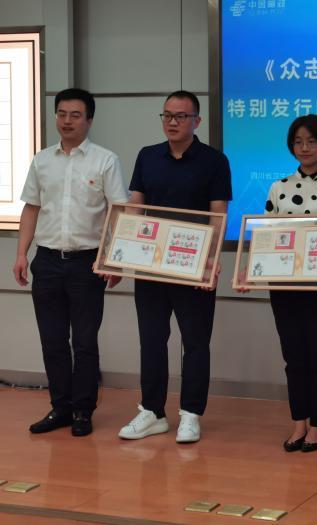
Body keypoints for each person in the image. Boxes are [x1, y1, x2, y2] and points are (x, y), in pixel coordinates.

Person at [117, 90, 232, 443]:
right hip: (151, 265)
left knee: (195, 342)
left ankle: (190, 414)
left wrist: (211, 260)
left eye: (181, 116)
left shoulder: (214, 161)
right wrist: (120, 251)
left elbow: (218, 215)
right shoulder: (147, 156)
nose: (172, 122)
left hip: (192, 266)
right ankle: (152, 412)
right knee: (152, 340)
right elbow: (135, 207)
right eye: (167, 115)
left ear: (197, 121)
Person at [13, 88, 128, 437]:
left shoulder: (105, 160)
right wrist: (21, 253)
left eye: (75, 115)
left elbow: (118, 213)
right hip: (47, 261)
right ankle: (60, 407)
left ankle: (83, 410)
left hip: (87, 264)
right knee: (52, 341)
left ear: (89, 120)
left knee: (84, 342)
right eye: (61, 114)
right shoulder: (42, 160)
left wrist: (115, 260)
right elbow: (31, 208)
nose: (67, 121)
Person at [263, 114, 317, 452]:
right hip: (284, 285)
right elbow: (267, 236)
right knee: (293, 357)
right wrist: (252, 271)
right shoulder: (278, 187)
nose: (304, 148)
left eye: (312, 142)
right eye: (298, 142)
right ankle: (298, 422)